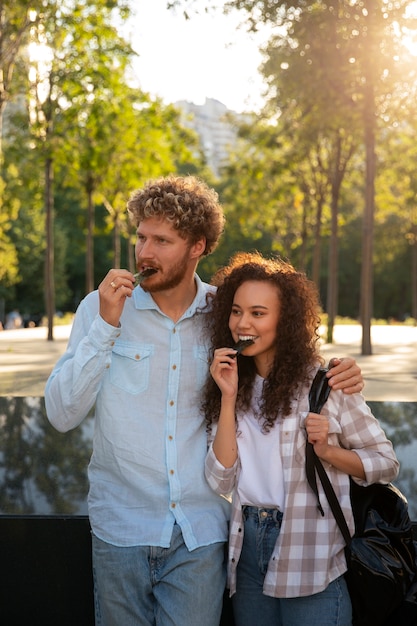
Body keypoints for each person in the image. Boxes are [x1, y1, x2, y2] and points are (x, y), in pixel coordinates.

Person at [45, 175, 364, 626]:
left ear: (198, 245)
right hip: (120, 529)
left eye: (162, 240)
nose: (143, 253)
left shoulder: (225, 315)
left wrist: (340, 369)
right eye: (140, 237)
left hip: (201, 534)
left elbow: (286, 359)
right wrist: (106, 326)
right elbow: (61, 414)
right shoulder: (99, 310)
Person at [203, 251, 399, 626]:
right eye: (237, 311)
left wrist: (328, 451)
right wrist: (227, 398)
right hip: (245, 551)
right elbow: (220, 479)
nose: (243, 323)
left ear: (286, 320)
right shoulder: (230, 384)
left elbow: (386, 463)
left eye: (258, 313)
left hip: (311, 553)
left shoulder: (326, 384)